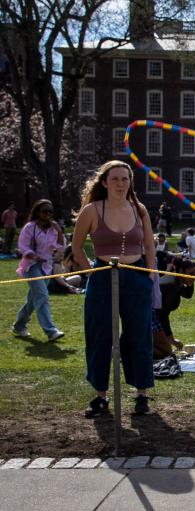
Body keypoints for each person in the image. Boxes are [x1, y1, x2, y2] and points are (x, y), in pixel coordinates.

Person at [70, 161, 158, 417]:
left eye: (125, 179)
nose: (121, 184)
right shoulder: (92, 210)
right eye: (116, 179)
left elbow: (150, 246)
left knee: (139, 336)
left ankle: (142, 394)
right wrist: (90, 274)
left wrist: (149, 275)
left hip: (136, 278)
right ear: (105, 182)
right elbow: (76, 248)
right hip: (103, 278)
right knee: (101, 336)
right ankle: (100, 395)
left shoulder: (139, 210)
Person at [11, 199, 66, 341]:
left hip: (46, 267)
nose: (48, 214)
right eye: (45, 211)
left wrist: (59, 231)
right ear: (37, 212)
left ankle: (19, 326)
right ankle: (51, 331)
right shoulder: (30, 227)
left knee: (33, 299)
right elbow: (23, 246)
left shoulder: (53, 229)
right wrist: (34, 256)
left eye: (51, 212)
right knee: (42, 295)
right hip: (31, 265)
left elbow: (61, 248)